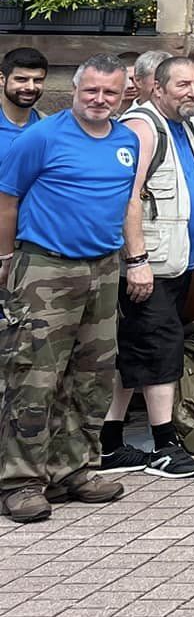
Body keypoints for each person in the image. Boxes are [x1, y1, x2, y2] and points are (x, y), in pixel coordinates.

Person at [0, 57, 140, 522]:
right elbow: (7, 198)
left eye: (110, 93)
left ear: (124, 96)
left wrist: (133, 260)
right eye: (91, 91)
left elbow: (126, 204)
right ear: (75, 90)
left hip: (102, 270)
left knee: (92, 376)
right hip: (44, 268)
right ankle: (20, 481)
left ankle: (75, 468)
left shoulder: (126, 140)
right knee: (34, 376)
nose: (100, 100)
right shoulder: (41, 137)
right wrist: (4, 261)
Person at [102, 56, 194, 479]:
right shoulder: (143, 126)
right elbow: (128, 197)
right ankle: (164, 446)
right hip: (149, 263)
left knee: (137, 351)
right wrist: (136, 261)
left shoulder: (185, 125)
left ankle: (109, 443)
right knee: (159, 348)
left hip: (176, 261)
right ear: (158, 88)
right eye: (183, 85)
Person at [0, 46, 48, 154]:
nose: (31, 87)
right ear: (2, 79)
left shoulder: (49, 128)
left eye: (37, 80)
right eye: (21, 79)